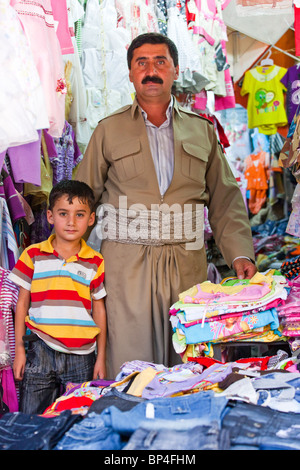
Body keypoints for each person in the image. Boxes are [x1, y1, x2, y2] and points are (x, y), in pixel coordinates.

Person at [75, 32, 257, 379]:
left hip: (187, 264)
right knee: (131, 366)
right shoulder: (108, 131)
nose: (151, 70)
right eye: (141, 62)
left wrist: (240, 255)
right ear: (130, 73)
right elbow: (82, 197)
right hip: (125, 266)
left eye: (160, 61)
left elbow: (225, 198)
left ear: (175, 69)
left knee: (189, 363)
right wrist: (68, 260)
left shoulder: (202, 131)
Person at [9, 180, 107, 414]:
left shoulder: (95, 261)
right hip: (40, 349)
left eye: (80, 215)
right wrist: (19, 352)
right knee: (33, 417)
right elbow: (21, 303)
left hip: (82, 355)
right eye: (64, 214)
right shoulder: (33, 255)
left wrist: (100, 357)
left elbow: (99, 310)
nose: (71, 222)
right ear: (51, 216)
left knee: (77, 417)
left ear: (91, 219)